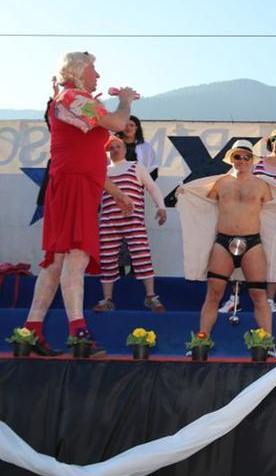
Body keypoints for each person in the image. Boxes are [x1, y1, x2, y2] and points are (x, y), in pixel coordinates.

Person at [22, 51, 137, 356]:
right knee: (76, 258)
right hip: (73, 185)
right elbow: (118, 122)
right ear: (78, 70)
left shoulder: (71, 100)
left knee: (57, 262)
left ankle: (30, 332)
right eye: (93, 69)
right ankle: (79, 335)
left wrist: (117, 193)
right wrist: (125, 100)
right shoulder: (73, 97)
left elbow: (88, 159)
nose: (98, 75)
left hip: (75, 183)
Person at [176, 140, 276, 354]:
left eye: (247, 157)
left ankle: (267, 343)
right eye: (238, 156)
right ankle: (201, 342)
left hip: (252, 243)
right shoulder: (220, 183)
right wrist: (186, 194)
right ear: (232, 159)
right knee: (213, 294)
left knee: (259, 296)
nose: (243, 160)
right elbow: (204, 205)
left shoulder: (262, 185)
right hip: (223, 242)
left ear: (252, 160)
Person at [218, 129, 276, 314]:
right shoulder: (256, 162)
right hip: (252, 217)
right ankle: (234, 299)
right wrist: (192, 190)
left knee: (275, 258)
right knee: (239, 255)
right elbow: (229, 180)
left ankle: (269, 301)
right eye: (274, 139)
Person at [92, 135, 167, 313]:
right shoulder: (102, 172)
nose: (115, 149)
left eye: (118, 146)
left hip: (133, 221)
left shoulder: (136, 167)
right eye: (111, 147)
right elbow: (94, 198)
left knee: (142, 256)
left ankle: (151, 297)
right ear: (106, 152)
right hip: (108, 223)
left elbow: (152, 187)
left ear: (125, 149)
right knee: (107, 260)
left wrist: (161, 207)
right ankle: (107, 300)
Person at [116, 115, 159, 180]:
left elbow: (153, 169)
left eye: (131, 125)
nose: (128, 128)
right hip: (116, 182)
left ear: (136, 127)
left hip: (139, 183)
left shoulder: (146, 147)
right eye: (125, 125)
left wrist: (144, 183)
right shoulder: (114, 145)